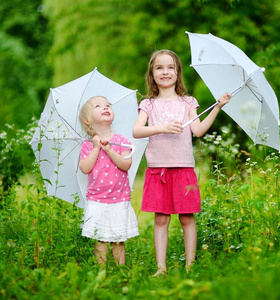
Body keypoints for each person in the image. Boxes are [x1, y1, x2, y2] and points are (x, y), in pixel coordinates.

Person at [133, 49, 231, 276]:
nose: (165, 72)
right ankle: (161, 268)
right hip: (158, 170)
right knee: (161, 219)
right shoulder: (148, 104)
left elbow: (197, 131)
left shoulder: (188, 102)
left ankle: (190, 266)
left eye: (170, 67)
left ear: (178, 73)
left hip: (184, 169)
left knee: (187, 218)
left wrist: (217, 107)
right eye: (159, 67)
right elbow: (137, 130)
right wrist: (162, 128)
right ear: (152, 74)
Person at [79, 95, 139, 266]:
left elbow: (125, 165)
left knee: (118, 239)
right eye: (98, 106)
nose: (105, 107)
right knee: (100, 238)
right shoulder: (87, 145)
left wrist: (110, 150)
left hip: (119, 198)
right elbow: (85, 168)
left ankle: (120, 270)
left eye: (108, 105)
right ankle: (101, 271)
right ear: (87, 121)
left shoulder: (122, 141)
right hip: (96, 200)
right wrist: (97, 147)